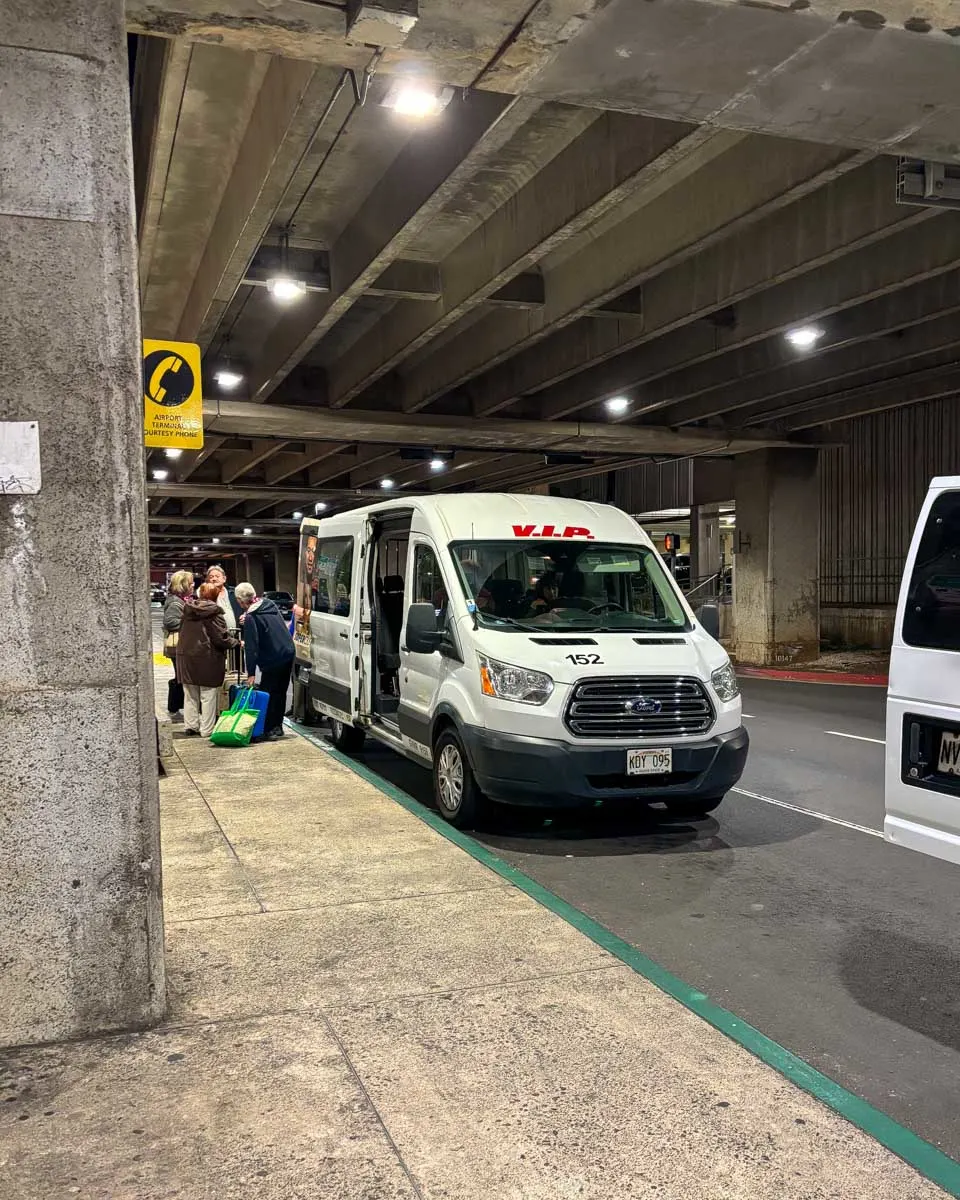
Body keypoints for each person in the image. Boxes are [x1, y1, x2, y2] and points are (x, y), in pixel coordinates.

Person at [236, 581, 295, 741]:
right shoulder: (268, 604)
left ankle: (268, 729)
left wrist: (251, 673)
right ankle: (277, 727)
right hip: (287, 651)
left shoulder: (251, 617)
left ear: (241, 601)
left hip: (272, 657)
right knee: (280, 692)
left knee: (268, 693)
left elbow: (252, 648)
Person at [177, 582, 238, 738]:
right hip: (207, 658)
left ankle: (190, 726)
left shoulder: (188, 609)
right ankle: (207, 729)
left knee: (190, 693)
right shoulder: (214, 613)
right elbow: (221, 638)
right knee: (208, 694)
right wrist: (236, 642)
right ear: (216, 596)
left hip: (186, 656)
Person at [162, 570, 194, 721]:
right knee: (180, 677)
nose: (193, 585)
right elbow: (169, 622)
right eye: (191, 582)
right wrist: (188, 623)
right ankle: (174, 706)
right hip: (177, 646)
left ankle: (175, 706)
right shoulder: (176, 602)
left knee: (180, 676)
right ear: (184, 585)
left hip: (181, 645)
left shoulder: (182, 600)